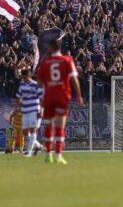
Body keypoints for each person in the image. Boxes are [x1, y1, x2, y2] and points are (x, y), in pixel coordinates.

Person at [36, 31, 83, 164]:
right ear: (60, 48)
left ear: (50, 48)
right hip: (63, 96)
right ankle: (59, 155)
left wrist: (41, 97)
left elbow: (39, 83)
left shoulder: (45, 63)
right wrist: (79, 95)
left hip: (49, 97)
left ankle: (49, 154)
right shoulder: (67, 60)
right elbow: (74, 79)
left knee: (49, 125)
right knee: (60, 126)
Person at [15, 68, 45, 157]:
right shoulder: (22, 85)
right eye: (23, 77)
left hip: (34, 110)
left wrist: (42, 110)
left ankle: (28, 152)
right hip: (25, 110)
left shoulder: (36, 85)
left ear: (29, 76)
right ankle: (39, 146)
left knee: (32, 131)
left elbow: (41, 99)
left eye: (25, 77)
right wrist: (17, 107)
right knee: (25, 132)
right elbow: (18, 97)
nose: (24, 79)